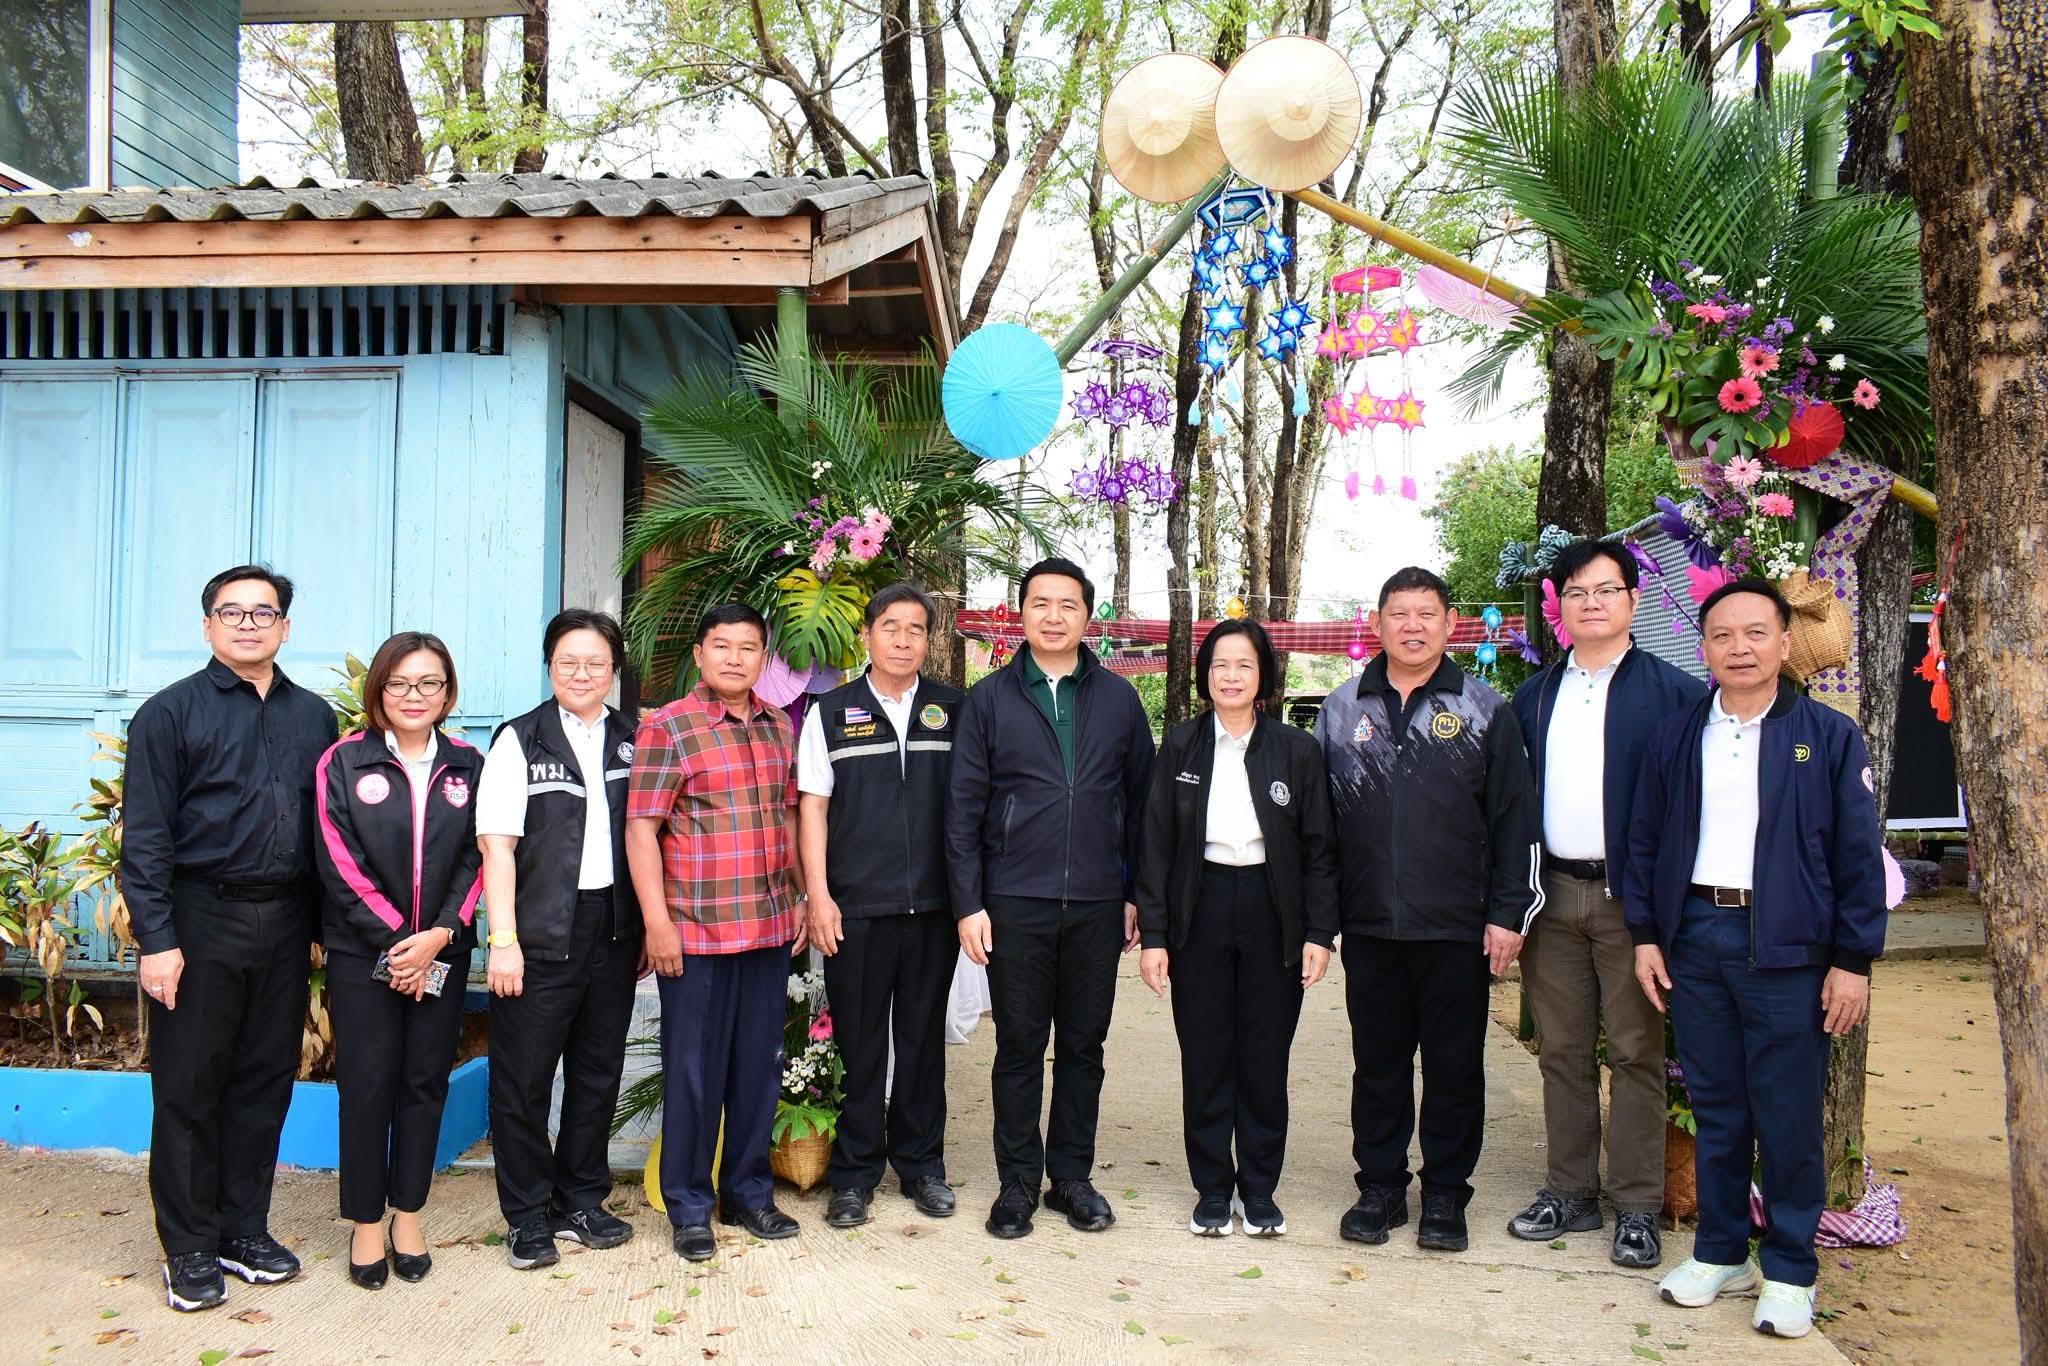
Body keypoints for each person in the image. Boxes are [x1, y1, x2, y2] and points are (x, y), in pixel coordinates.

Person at [1625, 578, 1887, 1340]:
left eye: (1755, 633)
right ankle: (1720, 1250)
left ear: (1783, 642)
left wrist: (1853, 959)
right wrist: (1646, 934)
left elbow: (1857, 856)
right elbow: (1645, 841)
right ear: (1704, 648)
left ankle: (1792, 1268)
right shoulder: (1679, 735)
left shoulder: (1827, 738)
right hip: (1696, 935)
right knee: (1717, 1105)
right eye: (1723, 635)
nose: (1739, 648)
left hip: (1789, 948)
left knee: (1787, 1111)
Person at [122, 566, 340, 1313]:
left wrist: (326, 931)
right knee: (189, 1088)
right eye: (233, 611)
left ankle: (243, 1231)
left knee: (263, 1082)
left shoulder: (314, 717)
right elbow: (146, 838)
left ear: (286, 627)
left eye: (263, 612)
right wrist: (157, 939)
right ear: (208, 624)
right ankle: (188, 1246)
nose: (249, 624)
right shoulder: (168, 715)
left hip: (284, 923)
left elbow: (325, 832)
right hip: (199, 920)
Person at [1315, 566, 1543, 1254]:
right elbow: (1318, 830)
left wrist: (1508, 913)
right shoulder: (1341, 710)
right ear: (1376, 623)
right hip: (1370, 924)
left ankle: (1445, 1192)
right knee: (1377, 1065)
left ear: (1450, 624)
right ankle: (1380, 1187)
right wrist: (1320, 921)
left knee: (1454, 1067)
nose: (1412, 627)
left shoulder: (1484, 709)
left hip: (1458, 927)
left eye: (1426, 614)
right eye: (1399, 614)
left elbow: (1514, 821)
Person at [1507, 541, 1707, 1267]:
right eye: (1577, 592)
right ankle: (1570, 1191)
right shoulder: (1534, 697)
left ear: (1633, 599)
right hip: (1552, 895)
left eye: (1606, 590)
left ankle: (1638, 1205)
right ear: (1559, 607)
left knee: (1634, 1051)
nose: (1591, 603)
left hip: (1634, 904)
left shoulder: (1677, 694)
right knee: (1561, 1050)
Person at [946, 557, 1155, 1240]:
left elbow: (1143, 805)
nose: (1055, 616)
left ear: (1087, 616)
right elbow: (963, 808)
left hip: (1097, 901)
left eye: (1068, 604)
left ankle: (1071, 1177)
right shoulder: (989, 699)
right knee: (1018, 1045)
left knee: (1084, 1046)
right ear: (1021, 613)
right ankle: (1017, 1183)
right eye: (1041, 603)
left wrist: (1135, 894)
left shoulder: (1119, 700)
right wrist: (969, 903)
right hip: (1015, 900)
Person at [1135, 618, 1338, 1238]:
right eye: (1220, 664)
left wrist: (1319, 933)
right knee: (1205, 1055)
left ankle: (1259, 1189)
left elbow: (1320, 849)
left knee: (1264, 1056)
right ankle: (1212, 1189)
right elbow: (1155, 846)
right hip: (1200, 904)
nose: (1231, 676)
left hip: (1272, 908)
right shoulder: (1180, 746)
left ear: (1263, 675)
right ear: (1205, 674)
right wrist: (1155, 937)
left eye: (1244, 665)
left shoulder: (1296, 751)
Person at [626, 603, 806, 1263]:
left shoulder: (778, 727)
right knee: (694, 1075)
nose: (734, 658)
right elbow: (641, 827)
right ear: (700, 655)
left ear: (763, 658)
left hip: (767, 928)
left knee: (759, 1069)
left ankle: (749, 1195)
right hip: (695, 935)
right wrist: (657, 923)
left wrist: (800, 896)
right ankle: (689, 1206)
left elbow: (787, 817)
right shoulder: (669, 727)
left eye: (748, 647)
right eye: (722, 646)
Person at [313, 632, 483, 1289]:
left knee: (423, 1082)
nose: (414, 695)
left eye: (429, 683)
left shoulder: (469, 765)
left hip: (443, 951)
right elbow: (337, 858)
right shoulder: (344, 761)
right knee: (366, 1084)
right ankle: (364, 1222)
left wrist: (439, 934)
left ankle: (407, 1215)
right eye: (400, 683)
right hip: (364, 954)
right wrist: (397, 940)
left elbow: (479, 856)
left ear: (448, 691)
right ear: (379, 689)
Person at [475, 610, 643, 1270]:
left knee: (598, 1073)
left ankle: (580, 1200)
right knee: (523, 1080)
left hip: (613, 928)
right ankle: (526, 1215)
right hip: (540, 933)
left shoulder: (633, 738)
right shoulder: (520, 740)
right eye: (568, 662)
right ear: (549, 666)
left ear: (614, 670)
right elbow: (497, 848)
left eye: (595, 662)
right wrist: (504, 939)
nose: (582, 673)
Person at [797, 583, 964, 1229]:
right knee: (860, 1045)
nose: (902, 639)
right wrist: (819, 897)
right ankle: (855, 1175)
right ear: (866, 635)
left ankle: (923, 1167)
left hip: (934, 909)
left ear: (929, 640)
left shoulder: (955, 709)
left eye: (915, 629)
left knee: (922, 1043)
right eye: (890, 627)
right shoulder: (831, 711)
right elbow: (813, 807)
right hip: (857, 909)